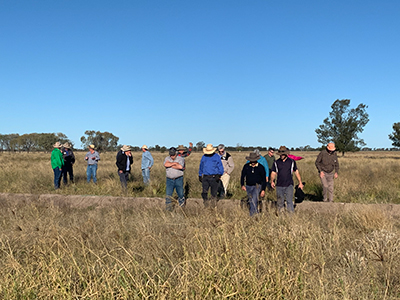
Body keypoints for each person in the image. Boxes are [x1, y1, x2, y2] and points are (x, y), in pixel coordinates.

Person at [270, 146, 304, 213]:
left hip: (289, 185)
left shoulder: (292, 162)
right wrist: (272, 181)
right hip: (279, 185)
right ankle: (280, 215)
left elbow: (296, 172)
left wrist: (300, 182)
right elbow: (273, 173)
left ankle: (290, 216)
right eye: (280, 154)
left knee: (289, 201)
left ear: (286, 154)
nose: (281, 156)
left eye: (283, 154)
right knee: (280, 201)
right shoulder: (276, 163)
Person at [164, 147, 185, 211]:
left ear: (176, 153)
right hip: (169, 179)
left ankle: (181, 207)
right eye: (171, 154)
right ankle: (168, 209)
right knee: (168, 195)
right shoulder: (167, 158)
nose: (172, 156)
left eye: (173, 154)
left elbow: (180, 166)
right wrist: (175, 163)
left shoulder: (181, 159)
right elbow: (165, 164)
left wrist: (170, 164)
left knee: (180, 193)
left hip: (178, 179)